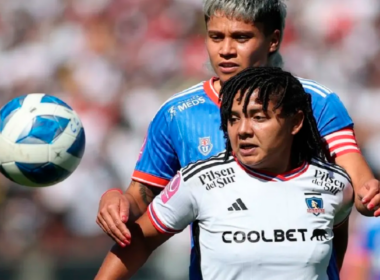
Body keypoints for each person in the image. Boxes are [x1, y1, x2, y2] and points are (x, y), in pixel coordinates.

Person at [97, 0, 380, 277]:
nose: (226, 50)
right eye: (216, 37)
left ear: (273, 40)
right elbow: (141, 200)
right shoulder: (177, 114)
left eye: (241, 37)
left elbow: (354, 183)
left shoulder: (315, 103)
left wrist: (368, 195)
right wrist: (116, 200)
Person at [95, 67, 354, 280]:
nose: (242, 130)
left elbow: (332, 249)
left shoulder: (335, 185)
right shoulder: (198, 180)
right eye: (233, 119)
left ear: (295, 122)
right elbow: (138, 242)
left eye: (258, 117)